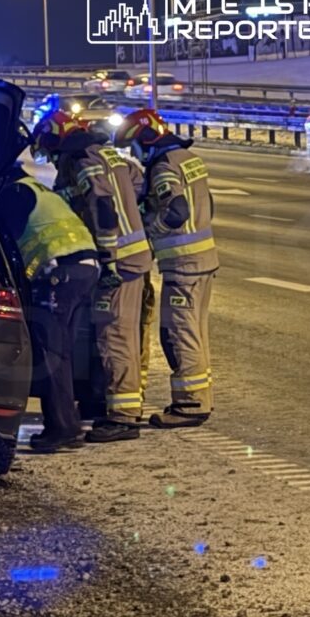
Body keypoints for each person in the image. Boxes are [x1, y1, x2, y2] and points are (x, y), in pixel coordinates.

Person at [32, 111, 152, 442]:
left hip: (120, 261)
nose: (53, 160)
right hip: (132, 255)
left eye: (51, 152)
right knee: (108, 333)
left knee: (115, 337)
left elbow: (102, 207)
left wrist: (109, 258)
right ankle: (102, 402)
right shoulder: (108, 155)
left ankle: (124, 416)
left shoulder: (83, 162)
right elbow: (138, 184)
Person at [114, 109, 218, 428]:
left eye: (136, 147)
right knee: (195, 332)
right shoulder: (189, 158)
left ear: (147, 139)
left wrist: (149, 232)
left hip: (183, 265)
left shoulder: (163, 167)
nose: (136, 155)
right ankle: (200, 398)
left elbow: (176, 209)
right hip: (204, 262)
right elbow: (207, 205)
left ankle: (189, 406)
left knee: (178, 334)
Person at [0, 167, 99, 452]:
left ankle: (62, 428)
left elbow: (3, 243)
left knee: (50, 352)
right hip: (82, 271)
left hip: (61, 274)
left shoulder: (14, 194)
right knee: (60, 352)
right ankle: (68, 424)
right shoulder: (36, 189)